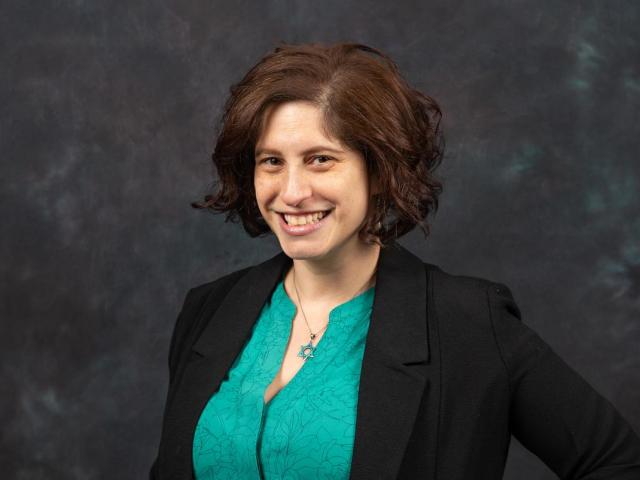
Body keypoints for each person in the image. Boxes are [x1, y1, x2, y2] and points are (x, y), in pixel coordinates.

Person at [149, 42, 640, 479]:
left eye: (321, 159)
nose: (292, 192)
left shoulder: (467, 322)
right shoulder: (208, 311)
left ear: (379, 172)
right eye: (271, 161)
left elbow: (616, 462)